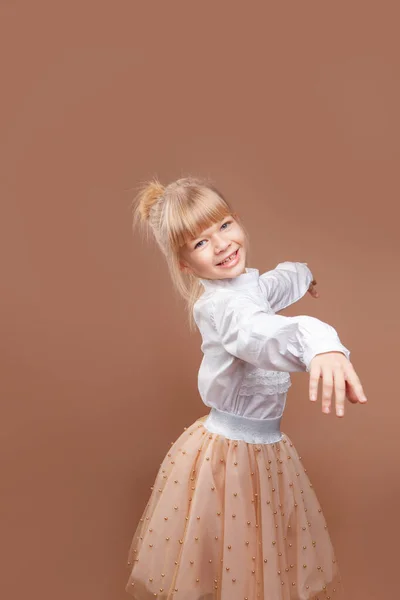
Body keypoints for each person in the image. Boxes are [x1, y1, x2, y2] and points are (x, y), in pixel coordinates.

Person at [125, 176, 367, 600]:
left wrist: (303, 275)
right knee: (234, 565)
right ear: (184, 264)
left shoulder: (247, 287)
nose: (220, 245)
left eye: (223, 226)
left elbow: (276, 282)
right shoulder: (222, 307)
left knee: (260, 560)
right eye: (199, 243)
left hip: (266, 449)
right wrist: (320, 344)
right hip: (230, 457)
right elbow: (259, 333)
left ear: (237, 222)